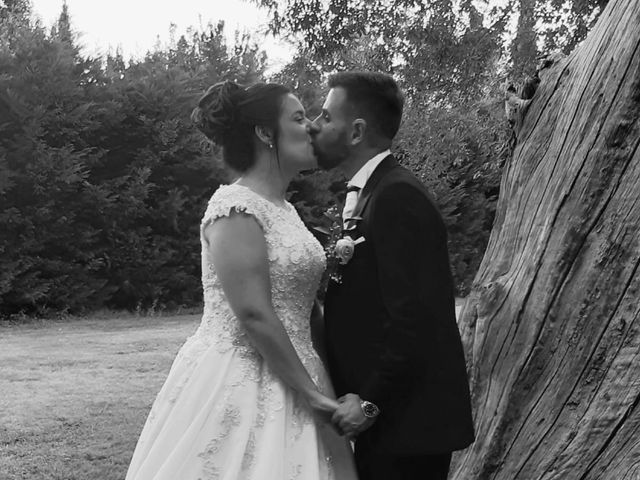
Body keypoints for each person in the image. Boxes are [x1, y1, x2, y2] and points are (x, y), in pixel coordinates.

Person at [125, 80, 357, 480]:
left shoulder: (284, 208)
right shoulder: (235, 207)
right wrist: (312, 396)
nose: (311, 127)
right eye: (299, 117)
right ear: (265, 133)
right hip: (238, 373)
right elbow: (253, 312)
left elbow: (302, 307)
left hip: (301, 369)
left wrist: (328, 379)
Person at [308, 72, 475, 480]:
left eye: (326, 117)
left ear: (356, 131)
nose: (314, 125)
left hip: (408, 424)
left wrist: (370, 401)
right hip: (389, 424)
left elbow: (414, 318)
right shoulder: (373, 192)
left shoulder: (398, 196)